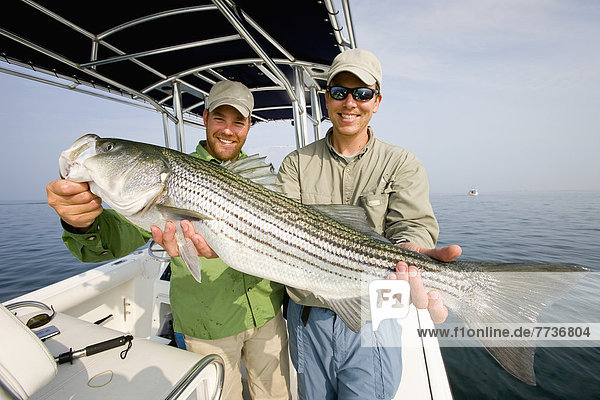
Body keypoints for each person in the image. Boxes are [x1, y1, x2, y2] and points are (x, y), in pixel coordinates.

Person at [46, 80, 290, 400]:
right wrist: (80, 222)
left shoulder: (262, 177)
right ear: (204, 118)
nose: (228, 130)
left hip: (267, 315)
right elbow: (112, 239)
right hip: (207, 325)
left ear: (248, 126)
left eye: (238, 122)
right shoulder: (170, 176)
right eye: (219, 118)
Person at [276, 48, 462, 399]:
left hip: (373, 317)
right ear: (326, 99)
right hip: (307, 318)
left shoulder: (401, 162)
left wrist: (410, 254)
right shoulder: (295, 164)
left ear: (376, 101)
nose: (350, 103)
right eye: (339, 92)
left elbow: (412, 225)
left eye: (362, 94)